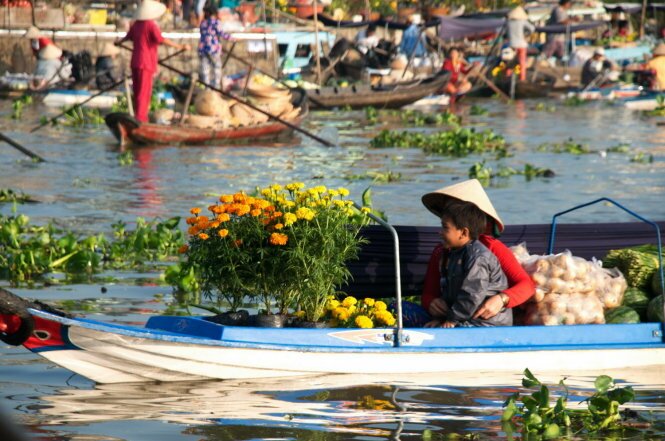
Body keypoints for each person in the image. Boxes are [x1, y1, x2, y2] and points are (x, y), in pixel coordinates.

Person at [399, 179, 535, 327]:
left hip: (480, 321)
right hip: (454, 315)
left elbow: (526, 286)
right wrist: (431, 302)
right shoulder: (442, 251)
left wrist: (501, 299)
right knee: (399, 308)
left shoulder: (489, 249)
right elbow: (429, 292)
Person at [426, 198, 511, 328]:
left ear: (464, 232)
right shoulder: (454, 253)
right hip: (465, 318)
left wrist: (452, 320)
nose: (440, 232)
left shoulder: (477, 257)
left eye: (445, 228)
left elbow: (472, 294)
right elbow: (451, 293)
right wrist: (443, 318)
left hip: (486, 324)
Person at [116, 0, 190, 122]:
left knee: (138, 90)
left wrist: (119, 42)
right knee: (144, 93)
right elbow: (161, 39)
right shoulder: (150, 25)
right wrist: (180, 47)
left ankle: (138, 116)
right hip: (146, 62)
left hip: (136, 61)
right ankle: (141, 118)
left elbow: (127, 37)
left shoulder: (136, 25)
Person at [198, 3, 232, 89]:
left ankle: (207, 89)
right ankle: (216, 88)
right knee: (217, 68)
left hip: (203, 49)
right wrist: (233, 38)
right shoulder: (216, 23)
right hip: (213, 49)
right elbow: (222, 34)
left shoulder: (203, 23)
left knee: (205, 70)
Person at [506, 6, 535, 81]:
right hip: (521, 45)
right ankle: (522, 78)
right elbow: (532, 28)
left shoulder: (509, 22)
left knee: (510, 62)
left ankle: (508, 76)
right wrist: (526, 34)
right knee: (522, 62)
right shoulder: (522, 21)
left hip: (512, 44)